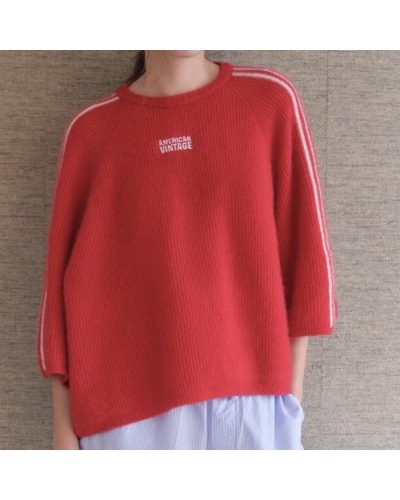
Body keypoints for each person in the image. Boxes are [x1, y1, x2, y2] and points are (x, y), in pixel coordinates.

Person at [36, 50, 338, 450]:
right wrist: (62, 429)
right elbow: (58, 299)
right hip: (127, 422)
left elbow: (308, 261)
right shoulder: (91, 132)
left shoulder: (269, 100)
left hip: (252, 406)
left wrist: (288, 402)